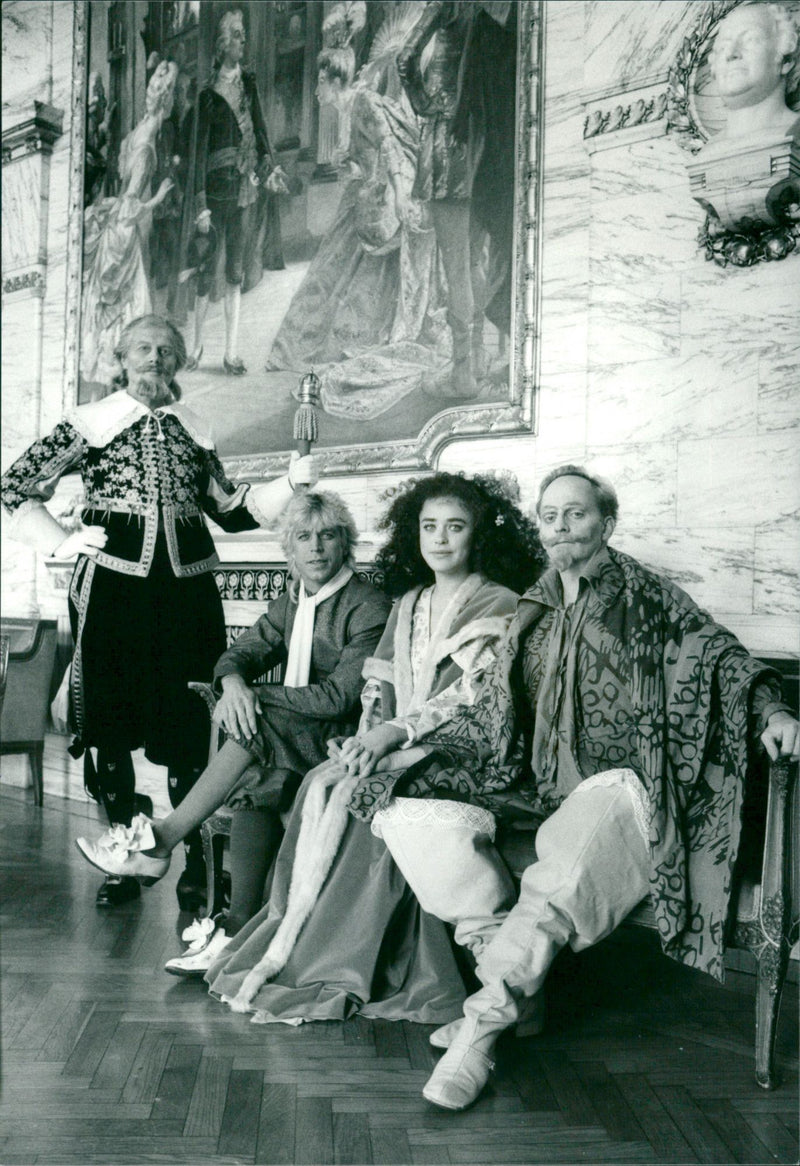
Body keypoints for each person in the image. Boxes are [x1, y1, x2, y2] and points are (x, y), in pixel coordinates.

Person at [340, 464, 800, 1110]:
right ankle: (517, 996)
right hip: (545, 789)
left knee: (566, 863)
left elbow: (719, 654)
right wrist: (403, 745)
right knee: (404, 800)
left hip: (632, 789)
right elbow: (493, 702)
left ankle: (482, 1027)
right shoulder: (536, 604)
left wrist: (772, 713)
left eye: (576, 514)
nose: (561, 528)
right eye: (549, 516)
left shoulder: (646, 595)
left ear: (605, 522)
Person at [74, 473, 546, 1026]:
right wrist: (233, 686)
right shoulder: (323, 599)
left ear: (345, 543)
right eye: (304, 539)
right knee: (256, 767)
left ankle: (169, 849)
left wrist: (266, 701)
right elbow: (269, 661)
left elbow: (359, 695)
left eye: (455, 527)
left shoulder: (380, 603)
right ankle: (232, 920)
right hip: (349, 734)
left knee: (260, 733)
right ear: (290, 550)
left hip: (415, 740)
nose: (316, 549)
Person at [1, 314, 316, 910]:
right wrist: (59, 542)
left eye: (166, 351)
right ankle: (124, 854)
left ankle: (193, 857)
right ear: (121, 358)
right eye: (144, 349)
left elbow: (230, 511)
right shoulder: (88, 424)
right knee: (112, 725)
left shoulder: (194, 428)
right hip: (113, 592)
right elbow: (13, 485)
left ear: (178, 363)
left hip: (187, 594)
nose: (155, 359)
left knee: (190, 724)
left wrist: (287, 485)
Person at [265, 2, 449, 422]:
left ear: (335, 79)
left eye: (320, 81)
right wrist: (355, 170)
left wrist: (400, 195)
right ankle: (316, 345)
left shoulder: (364, 102)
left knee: (356, 283)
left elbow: (389, 149)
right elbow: (359, 157)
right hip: (359, 200)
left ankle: (359, 342)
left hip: (377, 199)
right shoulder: (349, 109)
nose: (315, 90)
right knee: (328, 277)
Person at [187, 8, 288, 375]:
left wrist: (270, 168)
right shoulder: (207, 97)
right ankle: (196, 346)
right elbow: (199, 154)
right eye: (236, 34)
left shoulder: (250, 83)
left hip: (246, 188)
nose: (242, 40)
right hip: (214, 194)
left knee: (235, 272)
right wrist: (200, 204)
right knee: (205, 271)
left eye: (244, 33)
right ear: (221, 43)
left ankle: (230, 353)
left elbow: (260, 131)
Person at [81, 62, 178, 387]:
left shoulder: (137, 131)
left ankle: (110, 368)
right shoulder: (148, 144)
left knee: (112, 303)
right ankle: (118, 370)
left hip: (115, 223)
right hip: (123, 229)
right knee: (128, 304)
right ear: (166, 102)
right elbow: (132, 203)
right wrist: (159, 198)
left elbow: (123, 184)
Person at [707, 1, 800, 141]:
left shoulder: (794, 131)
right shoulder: (711, 146)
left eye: (751, 39)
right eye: (723, 47)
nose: (731, 53)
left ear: (785, 62)